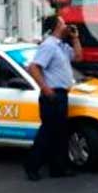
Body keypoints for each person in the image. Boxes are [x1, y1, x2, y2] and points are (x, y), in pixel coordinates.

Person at [24, 15, 82, 181]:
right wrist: (46, 89)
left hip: (62, 94)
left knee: (60, 133)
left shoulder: (61, 46)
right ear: (57, 26)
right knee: (47, 133)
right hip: (52, 94)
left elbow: (78, 57)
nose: (67, 25)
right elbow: (33, 67)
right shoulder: (48, 45)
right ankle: (31, 166)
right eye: (63, 23)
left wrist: (75, 39)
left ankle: (58, 168)